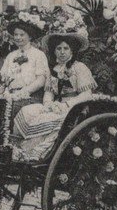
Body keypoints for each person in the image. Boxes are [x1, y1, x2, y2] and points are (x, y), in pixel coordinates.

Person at [12, 30, 96, 161]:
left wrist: (66, 105)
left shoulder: (79, 68)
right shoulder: (53, 70)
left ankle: (36, 153)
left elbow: (86, 94)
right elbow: (49, 93)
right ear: (54, 51)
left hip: (74, 108)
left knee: (53, 120)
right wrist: (48, 104)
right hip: (56, 106)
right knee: (27, 111)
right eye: (59, 48)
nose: (62, 52)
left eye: (66, 48)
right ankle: (19, 148)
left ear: (72, 50)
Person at [0, 13, 49, 120]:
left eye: (22, 35)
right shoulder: (11, 55)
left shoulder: (38, 54)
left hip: (31, 97)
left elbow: (41, 80)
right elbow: (4, 77)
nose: (18, 38)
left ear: (30, 36)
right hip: (11, 96)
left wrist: (23, 92)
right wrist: (5, 89)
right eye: (16, 35)